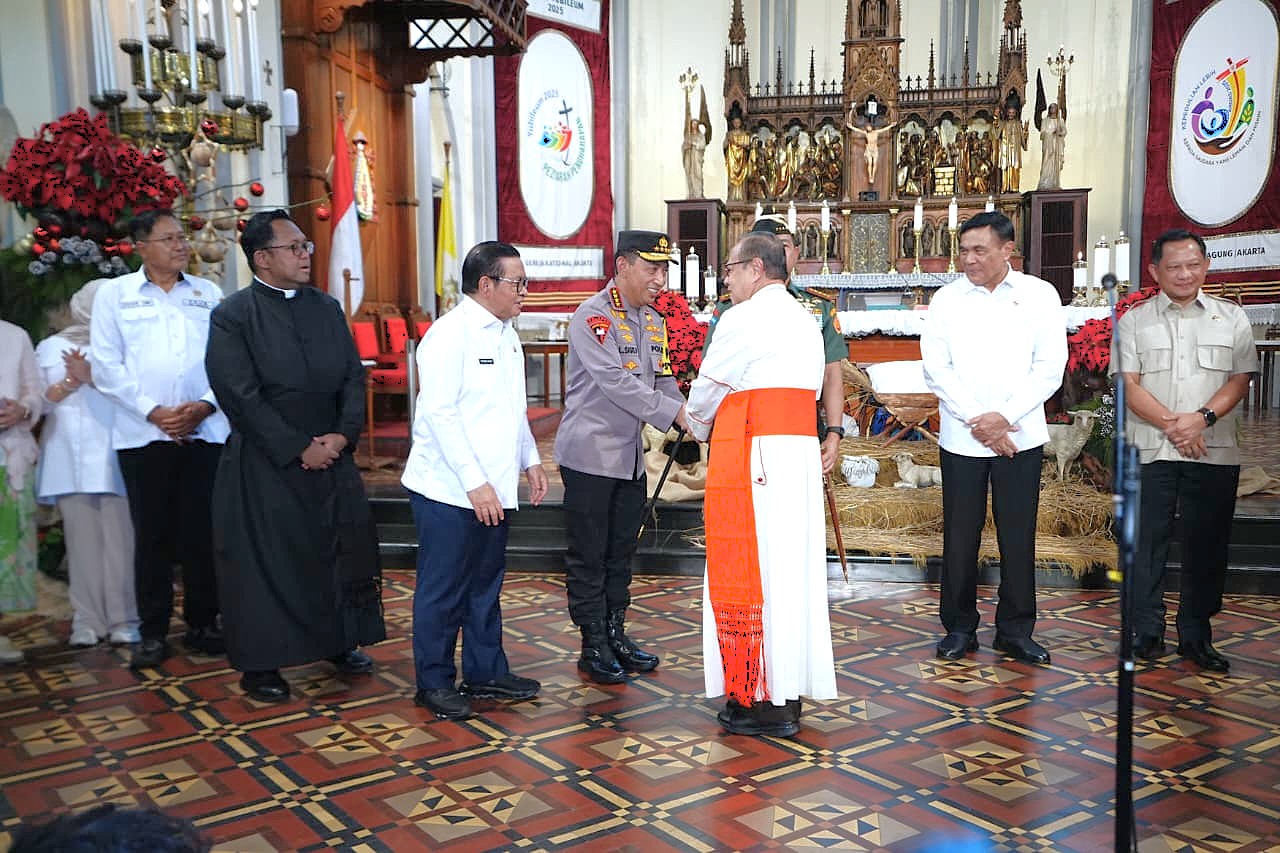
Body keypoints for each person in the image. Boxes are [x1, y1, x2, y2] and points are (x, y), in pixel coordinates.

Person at [204, 210, 385, 703]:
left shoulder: (325, 307)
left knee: (337, 553)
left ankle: (340, 641)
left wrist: (342, 436)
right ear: (262, 258)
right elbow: (238, 393)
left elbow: (352, 376)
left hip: (331, 453)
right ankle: (262, 664)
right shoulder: (233, 315)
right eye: (295, 247)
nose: (306, 255)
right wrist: (297, 447)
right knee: (267, 565)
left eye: (307, 246)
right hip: (266, 462)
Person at [688, 231, 837, 737]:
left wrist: (694, 424)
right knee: (790, 572)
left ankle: (756, 696)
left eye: (730, 270)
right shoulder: (806, 318)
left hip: (755, 457)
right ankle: (786, 692)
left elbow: (708, 390)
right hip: (795, 456)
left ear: (755, 269)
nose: (726, 281)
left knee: (755, 571)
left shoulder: (743, 318)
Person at [403, 241, 548, 720]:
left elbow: (513, 407)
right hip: (449, 491)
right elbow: (440, 415)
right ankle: (434, 682)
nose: (524, 291)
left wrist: (530, 459)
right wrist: (474, 483)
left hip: (493, 487)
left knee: (485, 584)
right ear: (486, 284)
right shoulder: (449, 335)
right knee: (443, 589)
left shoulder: (506, 334)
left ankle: (486, 672)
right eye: (517, 283)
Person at [920, 211, 1067, 665]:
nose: (969, 259)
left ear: (1008, 250)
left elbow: (1049, 367)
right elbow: (937, 369)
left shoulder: (1039, 295)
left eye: (979, 250)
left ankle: (1015, 630)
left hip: (1019, 437)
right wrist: (979, 421)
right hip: (962, 439)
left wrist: (1003, 419)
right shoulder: (947, 301)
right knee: (960, 537)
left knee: (1018, 535)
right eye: (964, 250)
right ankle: (959, 628)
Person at [90, 209, 229, 670]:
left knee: (202, 534)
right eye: (168, 239)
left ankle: (203, 623)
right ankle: (152, 632)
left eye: (181, 237)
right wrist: (154, 412)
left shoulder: (208, 293)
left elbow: (226, 360)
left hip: (205, 430)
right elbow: (106, 365)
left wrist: (204, 406)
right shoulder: (115, 296)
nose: (180, 245)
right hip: (142, 435)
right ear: (141, 246)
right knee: (152, 538)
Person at [1113, 230, 1256, 671]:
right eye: (1173, 266)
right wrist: (1175, 425)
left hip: (1212, 449)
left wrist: (1201, 419)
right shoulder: (1134, 321)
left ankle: (1196, 635)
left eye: (1193, 265)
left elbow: (1240, 379)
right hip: (1150, 449)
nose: (1184, 274)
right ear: (1154, 271)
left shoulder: (1232, 318)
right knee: (1145, 544)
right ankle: (1147, 631)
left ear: (1206, 267)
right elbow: (1127, 384)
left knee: (1207, 545)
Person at [555, 230, 687, 684]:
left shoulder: (653, 321)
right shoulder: (593, 318)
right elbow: (617, 382)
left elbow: (662, 380)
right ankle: (592, 642)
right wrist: (674, 414)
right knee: (589, 554)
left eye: (664, 270)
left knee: (621, 551)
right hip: (590, 457)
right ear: (623, 266)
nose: (660, 279)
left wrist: (687, 416)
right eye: (652, 269)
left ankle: (615, 632)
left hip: (630, 458)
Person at [35, 279, 139, 648]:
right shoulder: (51, 347)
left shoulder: (127, 344)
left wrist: (92, 378)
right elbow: (37, 403)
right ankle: (87, 620)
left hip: (118, 454)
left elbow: (140, 397)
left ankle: (125, 618)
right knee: (80, 546)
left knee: (122, 543)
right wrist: (69, 381)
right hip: (68, 457)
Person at [704, 216, 848, 474]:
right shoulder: (730, 307)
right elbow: (714, 375)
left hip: (800, 425)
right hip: (742, 428)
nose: (777, 252)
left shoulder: (818, 306)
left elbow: (831, 374)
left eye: (783, 245)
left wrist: (834, 432)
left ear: (796, 252)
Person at [0, 318, 42, 664]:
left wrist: (22, 409)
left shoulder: (15, 336)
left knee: (5, 552)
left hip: (10, 458)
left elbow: (34, 392)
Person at [996, 106, 1028, 193]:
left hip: (1015, 149)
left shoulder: (1018, 124)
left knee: (1015, 167)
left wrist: (1025, 131)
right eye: (1009, 112)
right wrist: (996, 117)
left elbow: (1023, 138)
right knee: (1005, 167)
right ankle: (1005, 187)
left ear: (1015, 114)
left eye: (1013, 113)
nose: (1011, 114)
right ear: (1007, 113)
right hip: (1005, 148)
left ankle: (1014, 187)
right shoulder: (1003, 123)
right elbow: (997, 134)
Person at [1037, 103, 1067, 191]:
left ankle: (1055, 182)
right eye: (1051, 108)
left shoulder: (1060, 121)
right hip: (1048, 145)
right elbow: (1042, 134)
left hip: (1057, 145)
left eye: (1054, 108)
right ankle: (1045, 182)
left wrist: (1059, 133)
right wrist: (1050, 134)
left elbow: (1064, 131)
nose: (1053, 110)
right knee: (1047, 163)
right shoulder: (1045, 121)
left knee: (1056, 163)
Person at [724, 114, 751, 201]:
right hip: (732, 158)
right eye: (735, 122)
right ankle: (732, 196)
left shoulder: (744, 134)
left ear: (740, 123)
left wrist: (743, 145)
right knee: (731, 177)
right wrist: (728, 142)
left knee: (742, 176)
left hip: (741, 159)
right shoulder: (729, 134)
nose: (736, 124)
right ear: (732, 123)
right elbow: (724, 146)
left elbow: (748, 146)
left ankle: (740, 195)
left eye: (738, 122)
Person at [683, 118, 709, 199]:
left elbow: (702, 145)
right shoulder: (688, 136)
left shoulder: (700, 136)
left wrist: (694, 144)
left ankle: (698, 193)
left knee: (698, 174)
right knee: (690, 174)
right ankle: (691, 193)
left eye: (695, 124)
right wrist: (687, 146)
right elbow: (683, 146)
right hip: (689, 158)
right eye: (693, 124)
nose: (694, 125)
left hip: (697, 158)